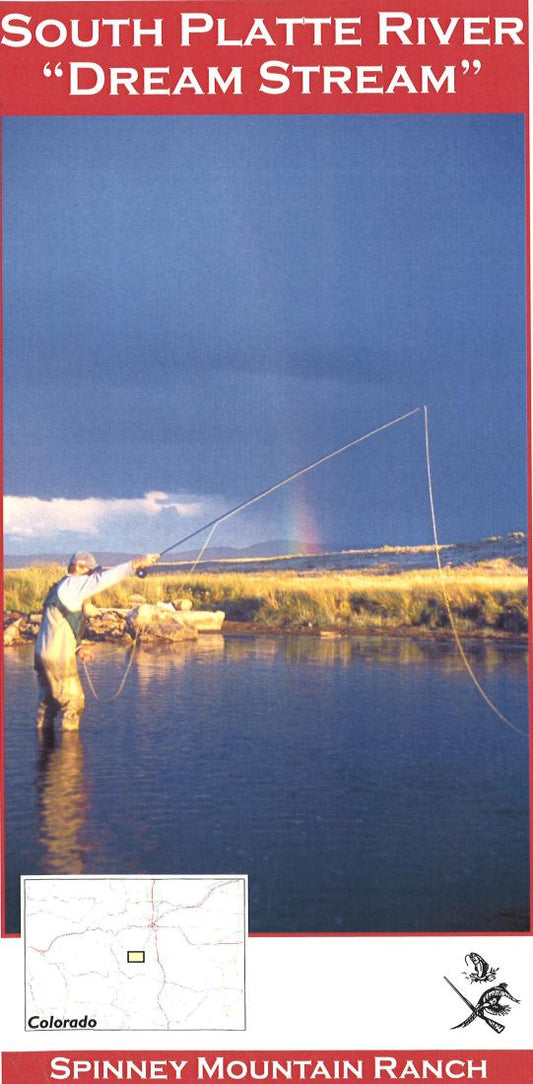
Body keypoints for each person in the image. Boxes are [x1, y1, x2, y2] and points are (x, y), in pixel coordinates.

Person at [35, 551, 160, 730]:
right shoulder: (73, 584)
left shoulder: (60, 588)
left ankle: (44, 751)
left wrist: (77, 649)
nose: (92, 576)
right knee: (74, 703)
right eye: (90, 572)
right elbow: (103, 580)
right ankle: (69, 755)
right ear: (79, 567)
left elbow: (57, 625)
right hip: (58, 659)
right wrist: (135, 564)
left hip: (42, 657)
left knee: (48, 705)